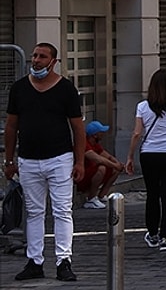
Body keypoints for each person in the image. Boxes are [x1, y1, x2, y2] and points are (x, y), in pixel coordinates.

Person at [3, 42, 84, 282]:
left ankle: (64, 260)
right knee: (34, 212)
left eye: (42, 56)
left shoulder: (66, 89)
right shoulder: (19, 88)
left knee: (62, 211)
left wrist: (79, 161)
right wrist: (9, 160)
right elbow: (11, 125)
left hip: (59, 158)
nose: (36, 60)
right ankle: (34, 260)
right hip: (28, 159)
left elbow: (77, 128)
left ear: (53, 62)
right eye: (34, 55)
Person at [124, 69, 166, 251]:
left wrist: (130, 156)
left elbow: (137, 133)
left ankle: (152, 233)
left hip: (149, 154)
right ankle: (165, 237)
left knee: (152, 194)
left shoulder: (142, 107)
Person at [78, 120, 124, 209]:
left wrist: (117, 164)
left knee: (115, 169)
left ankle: (102, 195)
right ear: (94, 135)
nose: (103, 134)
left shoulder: (96, 144)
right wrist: (115, 165)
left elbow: (107, 155)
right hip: (82, 176)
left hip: (90, 174)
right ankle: (91, 199)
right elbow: (98, 159)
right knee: (102, 168)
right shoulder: (85, 144)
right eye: (101, 132)